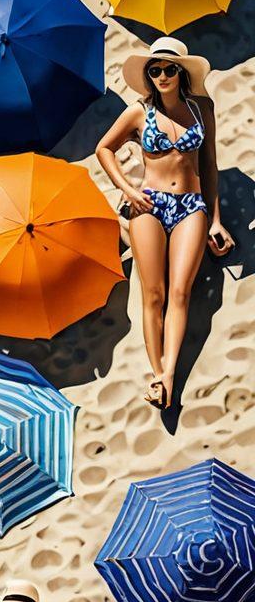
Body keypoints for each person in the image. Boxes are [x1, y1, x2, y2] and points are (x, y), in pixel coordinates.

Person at [95, 37, 234, 410]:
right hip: (149, 205)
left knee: (180, 292)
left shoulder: (202, 108)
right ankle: (157, 377)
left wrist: (216, 220)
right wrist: (127, 188)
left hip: (191, 205)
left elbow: (209, 165)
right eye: (154, 70)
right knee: (152, 293)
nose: (161, 75)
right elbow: (103, 148)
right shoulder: (137, 113)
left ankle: (168, 372)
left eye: (168, 68)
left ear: (181, 72)